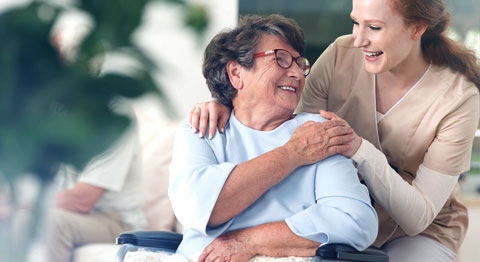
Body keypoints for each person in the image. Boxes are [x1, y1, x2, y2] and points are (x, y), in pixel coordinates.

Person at [188, 0, 480, 261]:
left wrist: (359, 149)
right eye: (356, 22)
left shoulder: (458, 98)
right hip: (337, 216)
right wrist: (229, 103)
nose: (358, 40)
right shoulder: (341, 54)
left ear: (417, 28)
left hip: (416, 232)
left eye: (374, 27)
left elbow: (417, 217)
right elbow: (287, 122)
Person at [169, 14, 378, 262]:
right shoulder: (203, 128)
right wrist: (293, 153)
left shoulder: (318, 133)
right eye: (281, 59)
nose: (298, 75)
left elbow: (356, 221)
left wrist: (251, 241)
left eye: (300, 64)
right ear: (236, 73)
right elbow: (197, 208)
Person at [45, 121, 147, 262]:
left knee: (52, 222)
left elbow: (82, 200)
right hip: (79, 215)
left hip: (119, 221)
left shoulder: (114, 118)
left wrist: (29, 206)